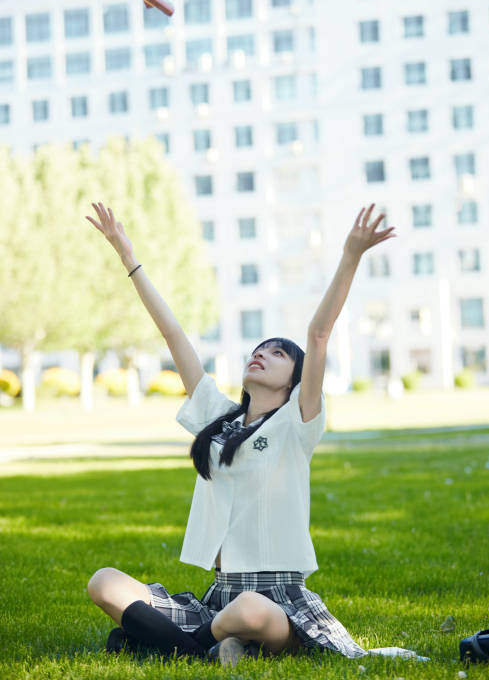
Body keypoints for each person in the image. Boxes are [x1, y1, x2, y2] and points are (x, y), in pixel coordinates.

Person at [85, 200, 397, 665]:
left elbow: (318, 334)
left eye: (276, 353)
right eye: (258, 349)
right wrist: (127, 256)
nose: (261, 354)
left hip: (274, 601)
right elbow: (173, 334)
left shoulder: (298, 423)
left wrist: (351, 254)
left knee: (250, 612)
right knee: (104, 582)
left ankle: (171, 644)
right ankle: (208, 648)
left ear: (294, 380)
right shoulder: (219, 418)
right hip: (219, 598)